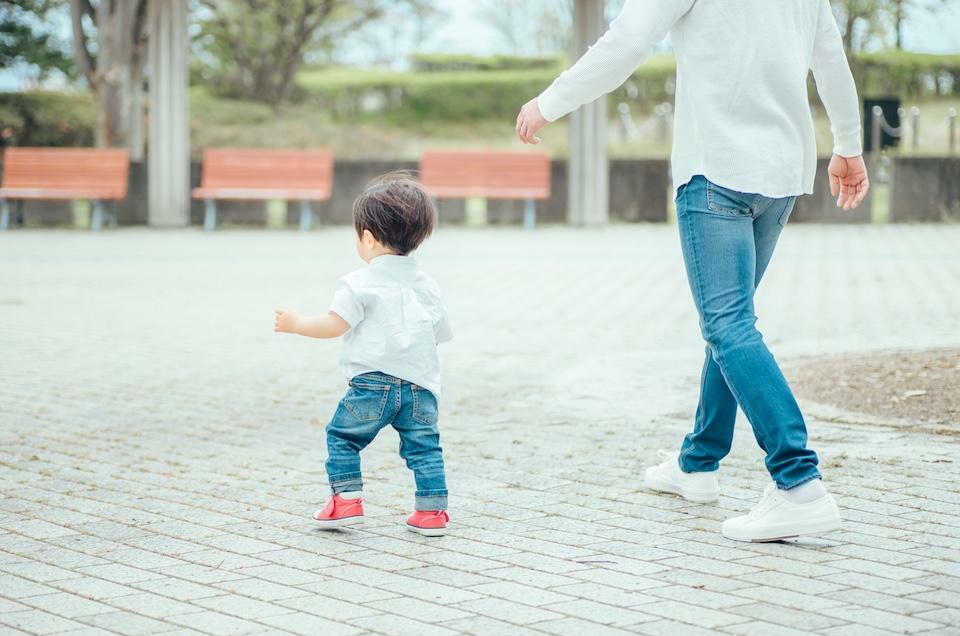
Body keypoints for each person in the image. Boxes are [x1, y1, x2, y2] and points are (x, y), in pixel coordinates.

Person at [515, 0, 869, 542]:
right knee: (728, 325)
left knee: (728, 326)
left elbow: (627, 42)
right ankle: (697, 464)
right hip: (780, 175)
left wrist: (549, 102)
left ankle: (799, 484)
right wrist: (848, 145)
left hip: (718, 169)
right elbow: (831, 60)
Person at [274, 173, 453, 537]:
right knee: (424, 448)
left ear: (368, 239)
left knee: (343, 437)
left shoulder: (358, 282)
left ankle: (347, 502)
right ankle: (432, 511)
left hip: (372, 384)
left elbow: (334, 325)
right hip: (421, 387)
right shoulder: (427, 285)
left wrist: (296, 323)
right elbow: (438, 333)